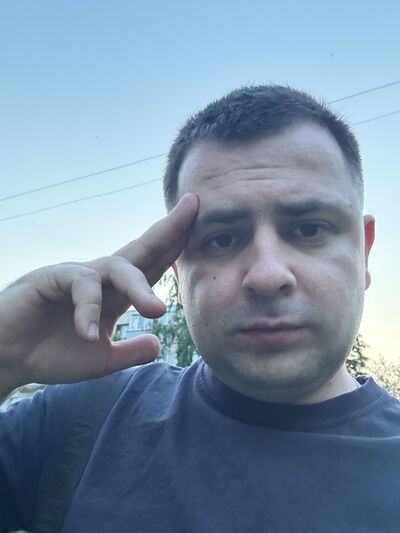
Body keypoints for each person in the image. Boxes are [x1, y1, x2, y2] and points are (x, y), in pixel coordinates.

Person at [0, 84, 398, 533]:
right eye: (222, 239)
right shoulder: (80, 421)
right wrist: (4, 356)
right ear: (177, 273)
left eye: (308, 229)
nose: (267, 275)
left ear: (364, 252)